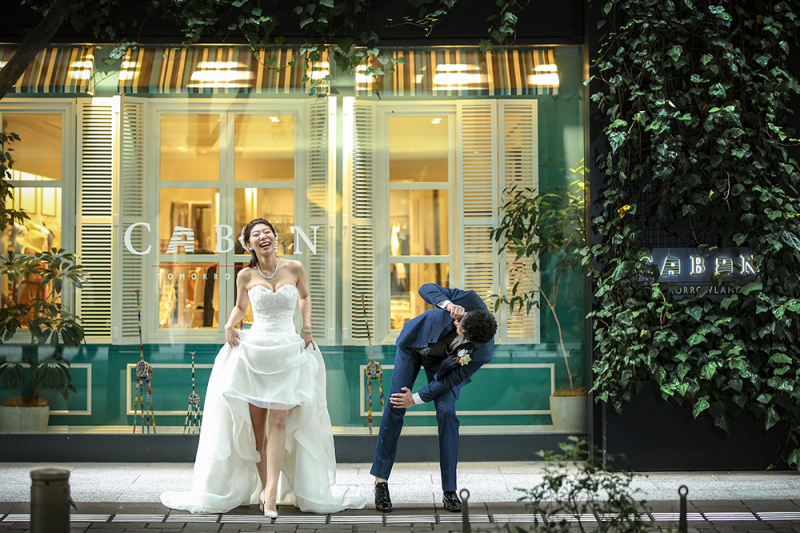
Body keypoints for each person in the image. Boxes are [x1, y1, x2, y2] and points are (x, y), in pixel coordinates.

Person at [161, 218, 366, 516]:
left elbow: (305, 296)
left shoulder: (294, 267)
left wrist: (307, 326)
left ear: (275, 237)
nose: (263, 237)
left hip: (287, 350)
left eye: (267, 232)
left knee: (280, 420)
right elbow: (241, 307)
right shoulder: (245, 275)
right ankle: (264, 485)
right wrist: (230, 325)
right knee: (258, 429)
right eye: (256, 234)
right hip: (255, 351)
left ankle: (270, 496)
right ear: (249, 244)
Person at [370, 283, 498, 513]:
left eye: (460, 329)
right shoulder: (469, 299)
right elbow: (425, 288)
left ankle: (449, 490)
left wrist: (416, 398)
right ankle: (381, 482)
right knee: (395, 404)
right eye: (460, 322)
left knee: (448, 412)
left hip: (443, 366)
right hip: (414, 344)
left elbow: (449, 381)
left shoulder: (482, 352)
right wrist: (449, 305)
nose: (456, 325)